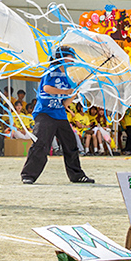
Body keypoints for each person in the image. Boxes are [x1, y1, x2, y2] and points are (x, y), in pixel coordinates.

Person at [20, 47, 95, 184]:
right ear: (62, 57)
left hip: (59, 114)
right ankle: (28, 175)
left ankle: (77, 175)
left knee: (71, 143)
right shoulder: (51, 71)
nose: (73, 59)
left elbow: (65, 103)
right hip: (45, 113)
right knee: (41, 143)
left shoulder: (67, 76)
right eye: (70, 56)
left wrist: (75, 91)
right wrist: (66, 91)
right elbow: (47, 88)